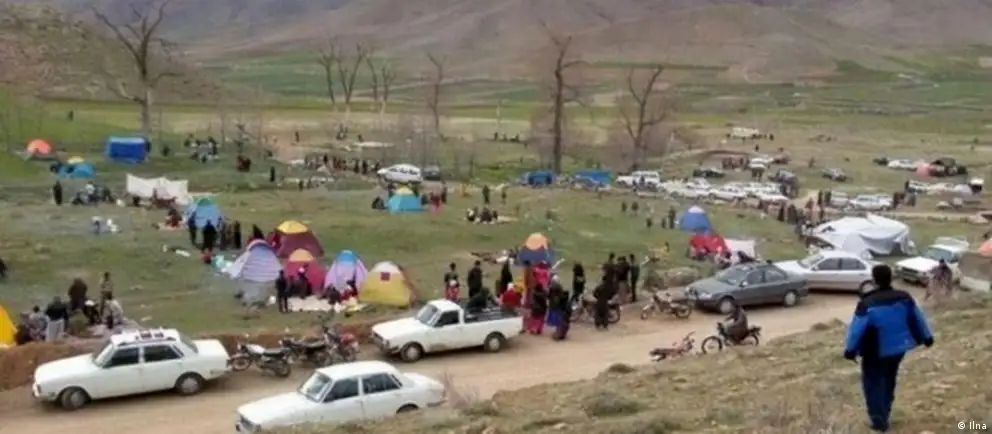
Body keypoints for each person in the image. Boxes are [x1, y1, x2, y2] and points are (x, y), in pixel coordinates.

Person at [844, 264, 933, 432]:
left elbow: (856, 330)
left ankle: (879, 419)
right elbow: (918, 317)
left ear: (874, 280)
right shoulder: (904, 297)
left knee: (873, 383)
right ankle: (885, 411)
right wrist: (927, 337)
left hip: (875, 351)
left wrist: (850, 350)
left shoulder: (867, 303)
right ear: (891, 278)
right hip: (899, 349)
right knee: (889, 379)